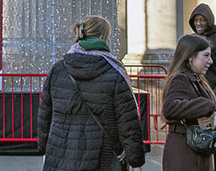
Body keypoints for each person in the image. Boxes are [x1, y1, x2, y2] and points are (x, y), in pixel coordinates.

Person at [37, 16, 146, 171]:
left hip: (60, 154)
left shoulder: (58, 69)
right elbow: (127, 123)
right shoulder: (114, 72)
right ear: (103, 37)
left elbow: (45, 115)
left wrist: (44, 148)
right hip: (103, 157)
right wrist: (136, 161)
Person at [160, 33, 216, 171]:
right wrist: (207, 106)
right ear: (190, 57)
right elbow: (170, 108)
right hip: (183, 155)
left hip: (195, 154)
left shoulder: (198, 80)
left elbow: (213, 108)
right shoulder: (181, 79)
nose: (210, 61)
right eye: (206, 55)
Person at [187, 4, 216, 171]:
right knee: (198, 140)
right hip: (196, 97)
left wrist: (215, 96)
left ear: (209, 21)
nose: (199, 23)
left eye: (202, 20)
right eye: (196, 20)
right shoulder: (192, 39)